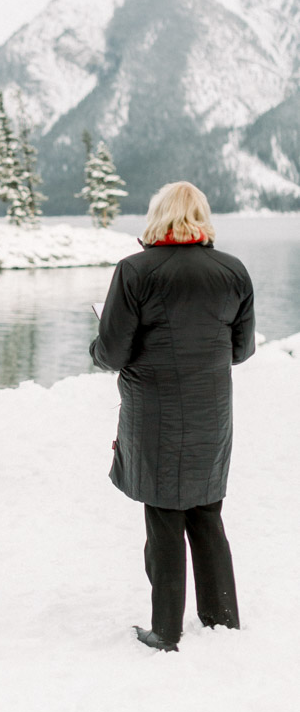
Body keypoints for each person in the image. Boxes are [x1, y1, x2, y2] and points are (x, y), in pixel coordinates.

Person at [90, 181, 255, 652]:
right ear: (202, 216)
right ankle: (221, 617)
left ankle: (165, 631)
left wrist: (95, 343)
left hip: (156, 410)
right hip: (211, 411)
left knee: (164, 515)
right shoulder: (233, 270)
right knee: (206, 511)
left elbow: (113, 352)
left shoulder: (135, 271)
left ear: (156, 216)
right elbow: (241, 350)